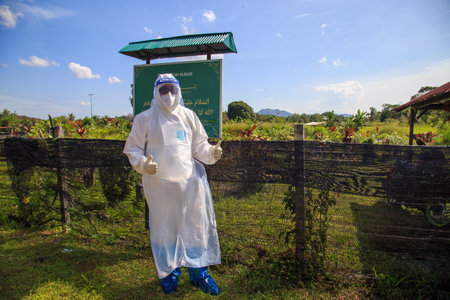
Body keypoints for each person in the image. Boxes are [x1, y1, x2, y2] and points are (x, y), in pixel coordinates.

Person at [123, 73, 223, 295]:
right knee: (165, 230)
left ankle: (200, 274)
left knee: (195, 228)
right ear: (156, 93)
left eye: (172, 89)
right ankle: (169, 274)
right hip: (160, 188)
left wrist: (212, 153)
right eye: (163, 90)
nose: (168, 95)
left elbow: (198, 146)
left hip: (190, 185)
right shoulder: (145, 119)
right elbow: (133, 149)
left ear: (179, 92)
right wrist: (143, 165)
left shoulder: (188, 116)